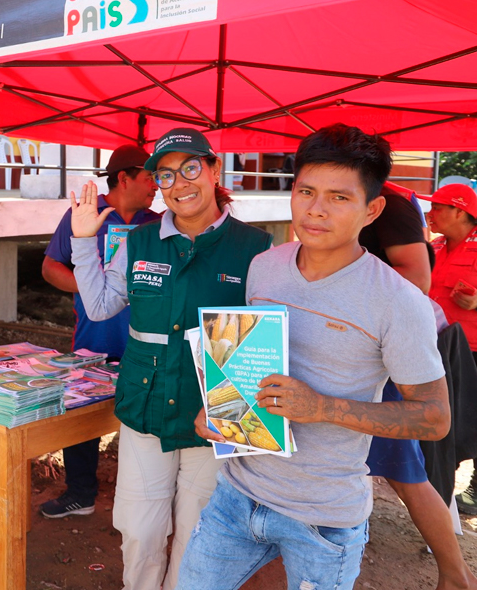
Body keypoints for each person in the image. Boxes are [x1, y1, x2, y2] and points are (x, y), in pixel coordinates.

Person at [180, 124, 451, 590]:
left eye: (339, 197)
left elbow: (433, 419)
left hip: (323, 518)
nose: (316, 209)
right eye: (305, 191)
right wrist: (223, 409)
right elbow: (250, 364)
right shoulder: (264, 267)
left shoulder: (398, 302)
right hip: (237, 495)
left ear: (373, 209)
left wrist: (321, 407)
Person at [69, 128, 273, 589]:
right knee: (139, 530)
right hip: (145, 407)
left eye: (190, 168)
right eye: (165, 175)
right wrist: (84, 242)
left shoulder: (256, 248)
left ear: (215, 169)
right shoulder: (139, 241)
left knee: (198, 535)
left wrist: (236, 412)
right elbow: (101, 307)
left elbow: (261, 344)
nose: (179, 184)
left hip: (213, 414)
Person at [361, 184, 477, 590]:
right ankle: (456, 572)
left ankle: (456, 572)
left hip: (384, 356)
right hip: (384, 347)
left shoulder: (390, 205)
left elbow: (417, 278)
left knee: (406, 468)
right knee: (403, 469)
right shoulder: (393, 207)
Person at [40, 144, 160, 519]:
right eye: (150, 176)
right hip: (92, 337)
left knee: (142, 417)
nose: (156, 184)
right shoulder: (82, 216)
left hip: (143, 341)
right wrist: (96, 289)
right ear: (124, 178)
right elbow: (49, 268)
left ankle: (142, 498)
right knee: (82, 415)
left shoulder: (155, 223)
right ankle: (80, 492)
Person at [426, 183, 477, 515]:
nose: (430, 214)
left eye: (438, 207)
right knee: (445, 416)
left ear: (460, 211)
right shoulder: (434, 246)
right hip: (439, 344)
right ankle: (441, 484)